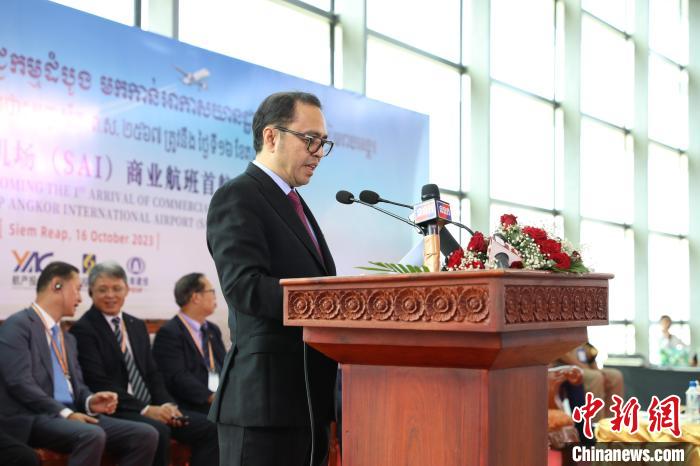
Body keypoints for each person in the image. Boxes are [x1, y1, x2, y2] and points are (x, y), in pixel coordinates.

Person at [206, 91, 338, 466]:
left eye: (323, 142)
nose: (318, 152)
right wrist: (330, 302)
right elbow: (244, 287)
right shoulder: (239, 195)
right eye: (310, 139)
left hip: (308, 400)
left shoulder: (294, 202)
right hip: (263, 404)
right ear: (271, 136)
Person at [0, 261, 158, 466]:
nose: (80, 298)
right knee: (90, 435)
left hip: (71, 415)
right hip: (35, 416)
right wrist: (66, 413)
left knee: (146, 434)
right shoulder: (18, 326)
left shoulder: (67, 338)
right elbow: (20, 383)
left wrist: (90, 401)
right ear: (57, 286)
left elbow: (78, 387)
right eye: (77, 289)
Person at [69, 261, 218, 466]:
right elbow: (98, 381)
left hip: (151, 405)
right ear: (91, 292)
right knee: (159, 430)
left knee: (209, 427)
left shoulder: (136, 325)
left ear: (127, 290)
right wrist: (146, 409)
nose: (110, 295)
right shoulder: (84, 329)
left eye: (117, 288)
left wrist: (167, 405)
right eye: (103, 290)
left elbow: (152, 374)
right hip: (118, 408)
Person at [152, 273, 226, 414]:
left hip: (218, 400)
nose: (215, 297)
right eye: (211, 291)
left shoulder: (213, 330)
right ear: (196, 297)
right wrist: (211, 397)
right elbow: (177, 377)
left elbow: (224, 365)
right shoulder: (169, 333)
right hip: (190, 405)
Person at [558, 341, 624, 420]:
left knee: (615, 376)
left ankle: (611, 421)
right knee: (595, 377)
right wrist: (590, 370)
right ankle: (594, 423)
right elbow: (563, 355)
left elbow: (587, 352)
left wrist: (596, 368)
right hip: (565, 367)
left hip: (584, 366)